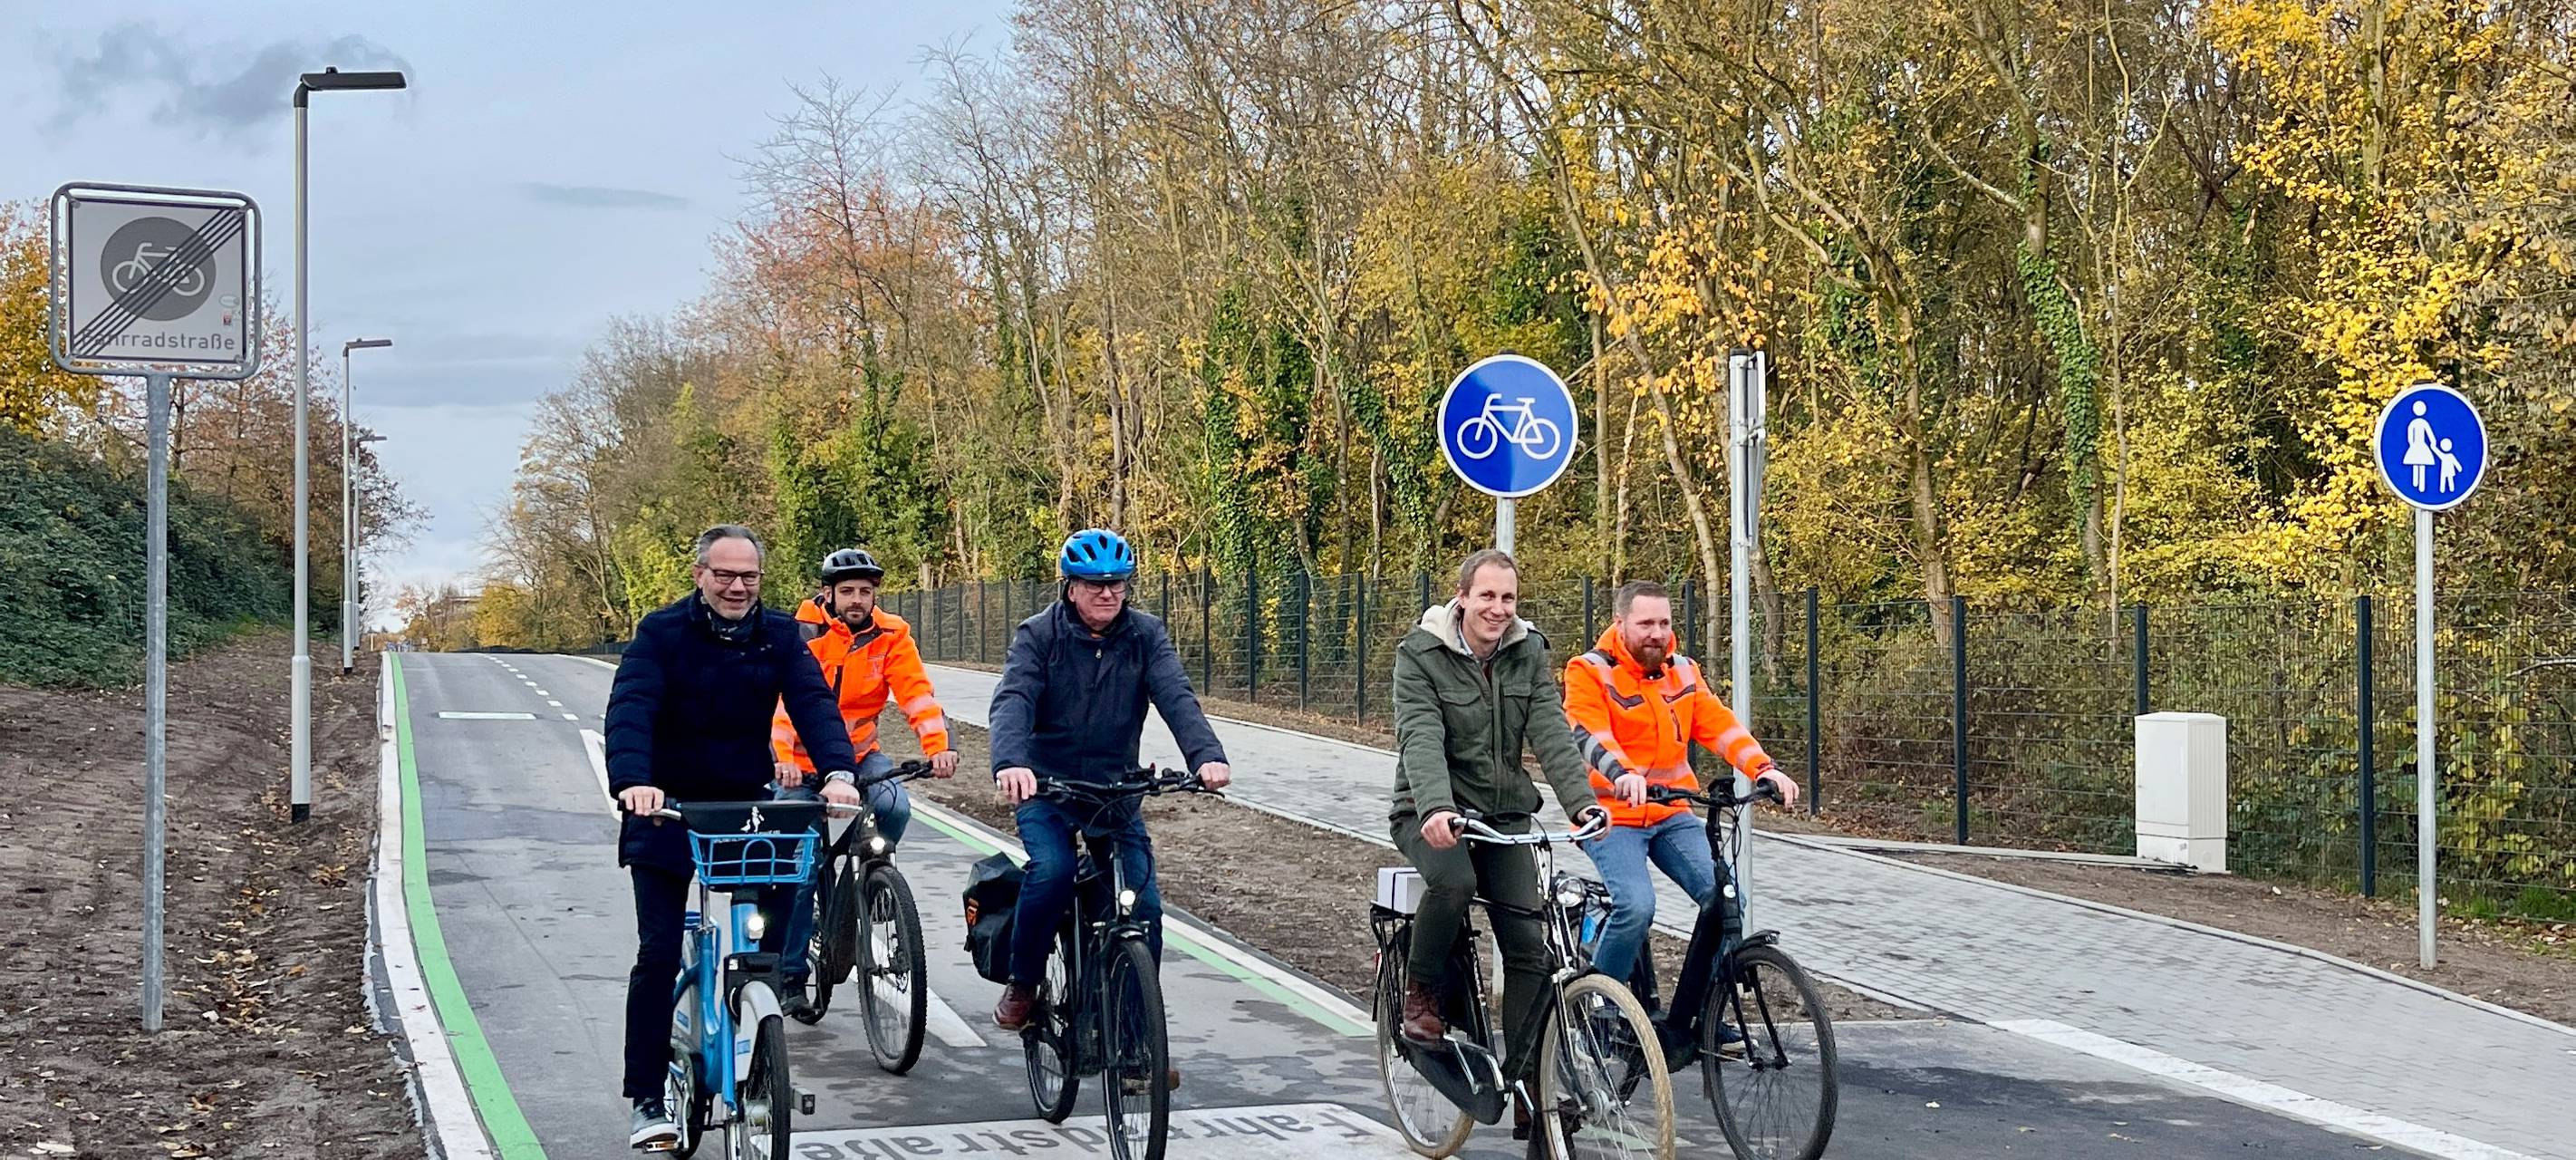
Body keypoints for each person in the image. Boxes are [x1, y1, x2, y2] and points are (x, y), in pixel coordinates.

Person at [604, 525, 865, 1150]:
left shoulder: (780, 635)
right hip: (665, 809)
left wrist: (837, 772)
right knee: (658, 952)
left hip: (743, 810)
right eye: (724, 574)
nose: (737, 586)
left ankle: (761, 1017)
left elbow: (813, 704)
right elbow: (631, 709)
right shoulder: (660, 633)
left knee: (772, 921)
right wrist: (634, 782)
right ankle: (647, 1098)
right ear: (700, 575)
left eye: (748, 576)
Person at [987, 529, 1232, 1088]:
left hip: (1115, 793)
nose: (1107, 594)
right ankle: (1024, 982)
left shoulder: (1145, 635)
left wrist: (1207, 757)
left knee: (1143, 910)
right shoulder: (1039, 635)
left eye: (1117, 585)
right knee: (1052, 871)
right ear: (1070, 587)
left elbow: (1176, 695)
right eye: (1095, 585)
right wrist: (1012, 762)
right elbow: (1013, 700)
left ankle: (1134, 1048)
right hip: (1048, 789)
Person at [1562, 580, 1799, 1047]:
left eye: (1664, 623)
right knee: (1636, 906)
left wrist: (1764, 768)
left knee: (1725, 898)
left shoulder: (1684, 671)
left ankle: (1700, 1016)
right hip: (1612, 815)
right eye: (1645, 623)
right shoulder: (1589, 670)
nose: (1657, 633)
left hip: (1670, 812)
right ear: (1620, 624)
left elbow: (1719, 725)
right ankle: (1597, 1009)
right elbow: (1587, 732)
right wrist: (1621, 772)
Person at [1389, 549, 1606, 1052]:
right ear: (1462, 597)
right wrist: (1436, 807)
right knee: (1455, 882)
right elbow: (1420, 736)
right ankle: (1422, 989)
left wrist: (1582, 804)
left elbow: (1551, 731)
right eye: (1487, 595)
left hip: (1504, 815)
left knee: (1529, 945)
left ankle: (1527, 1080)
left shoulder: (1527, 651)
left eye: (1508, 598)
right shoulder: (1420, 654)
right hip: (1429, 811)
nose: (1498, 608)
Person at [767, 546, 959, 1015]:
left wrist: (938, 747)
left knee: (893, 804)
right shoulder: (801, 633)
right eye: (848, 591)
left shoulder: (891, 635)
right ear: (827, 594)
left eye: (865, 592)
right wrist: (783, 759)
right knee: (800, 865)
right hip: (798, 758)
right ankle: (790, 975)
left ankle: (868, 882)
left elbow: (916, 694)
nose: (857, 599)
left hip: (858, 755)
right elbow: (782, 705)